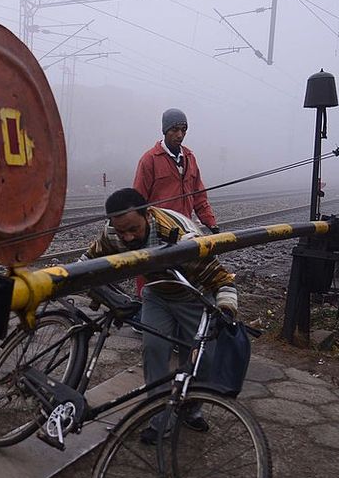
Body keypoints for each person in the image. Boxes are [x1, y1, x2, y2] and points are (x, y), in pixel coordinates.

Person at [82, 188, 238, 441]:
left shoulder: (181, 240)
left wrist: (226, 311)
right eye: (122, 231)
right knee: (154, 349)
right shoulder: (113, 232)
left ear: (148, 214)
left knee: (202, 359)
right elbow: (87, 262)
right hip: (157, 294)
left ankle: (191, 409)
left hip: (194, 295)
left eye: (133, 229)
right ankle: (160, 419)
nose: (128, 237)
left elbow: (221, 279)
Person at [133, 108, 219, 233]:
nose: (180, 135)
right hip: (158, 231)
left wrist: (212, 224)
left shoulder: (190, 158)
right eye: (174, 130)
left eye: (183, 130)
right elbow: (138, 200)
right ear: (165, 131)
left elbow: (199, 197)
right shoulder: (149, 159)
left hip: (185, 228)